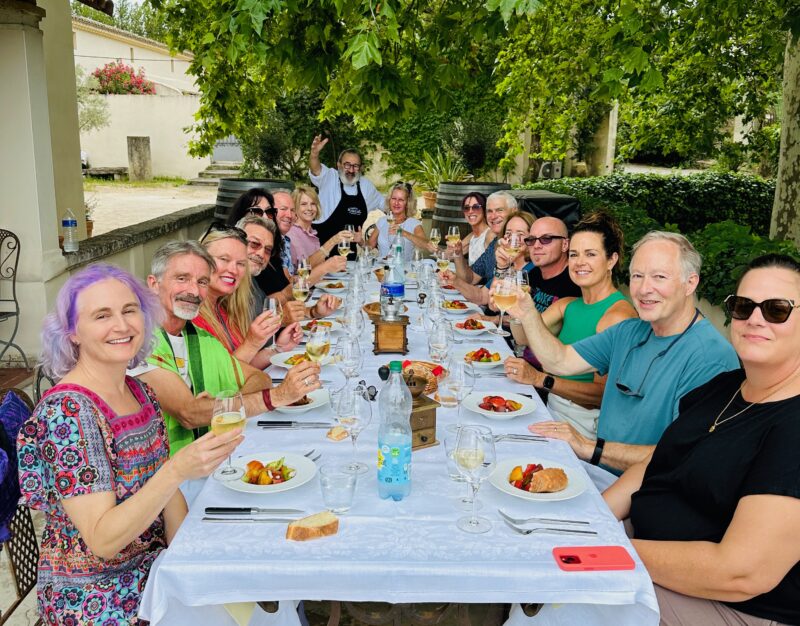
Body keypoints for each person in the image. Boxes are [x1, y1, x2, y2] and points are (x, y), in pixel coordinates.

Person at [16, 264, 242, 624]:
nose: (121, 326)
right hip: (97, 596)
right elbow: (104, 541)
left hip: (154, 572)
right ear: (73, 332)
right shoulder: (67, 413)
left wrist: (191, 563)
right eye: (102, 315)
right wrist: (176, 471)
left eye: (129, 310)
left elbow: (170, 499)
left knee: (247, 592)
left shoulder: (139, 391)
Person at [603, 254, 800, 626]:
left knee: (571, 597)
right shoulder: (725, 387)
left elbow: (741, 574)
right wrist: (594, 519)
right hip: (645, 550)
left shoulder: (792, 425)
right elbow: (659, 462)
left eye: (777, 309)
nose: (755, 318)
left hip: (732, 605)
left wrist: (606, 550)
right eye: (744, 307)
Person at [508, 231, 739, 474]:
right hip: (597, 471)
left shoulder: (711, 358)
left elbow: (682, 455)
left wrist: (589, 447)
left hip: (646, 493)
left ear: (690, 283)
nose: (644, 288)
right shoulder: (629, 331)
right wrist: (527, 312)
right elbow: (560, 361)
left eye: (659, 277)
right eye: (637, 276)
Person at [130, 240, 321, 454]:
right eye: (182, 279)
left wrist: (222, 405)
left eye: (202, 282)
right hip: (164, 474)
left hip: (209, 458)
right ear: (154, 284)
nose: (193, 290)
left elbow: (260, 379)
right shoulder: (138, 341)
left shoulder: (201, 338)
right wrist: (277, 396)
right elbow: (189, 414)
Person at [504, 212, 638, 439]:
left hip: (583, 425)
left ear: (611, 260)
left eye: (591, 254)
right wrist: (518, 311)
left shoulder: (616, 315)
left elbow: (600, 395)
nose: (579, 262)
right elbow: (523, 338)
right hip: (549, 408)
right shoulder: (568, 305)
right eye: (574, 254)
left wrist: (540, 379)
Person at [194, 228, 302, 370]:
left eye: (240, 263)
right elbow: (219, 381)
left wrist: (278, 349)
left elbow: (244, 366)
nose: (234, 270)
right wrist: (252, 342)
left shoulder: (222, 308)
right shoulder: (192, 318)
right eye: (224, 259)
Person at [443, 211, 536, 307]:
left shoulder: (534, 270)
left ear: (532, 238)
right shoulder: (507, 266)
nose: (513, 239)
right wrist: (454, 281)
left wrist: (489, 319)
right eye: (508, 233)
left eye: (520, 234)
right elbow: (482, 297)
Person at [308, 135, 384, 247]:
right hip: (321, 250)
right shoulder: (329, 176)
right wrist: (314, 154)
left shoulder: (366, 186)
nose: (351, 170)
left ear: (361, 168)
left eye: (356, 166)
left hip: (348, 255)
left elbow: (387, 204)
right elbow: (315, 168)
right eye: (347, 165)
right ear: (338, 165)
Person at [451, 191, 517, 286]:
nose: (493, 216)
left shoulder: (524, 243)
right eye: (490, 211)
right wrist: (457, 253)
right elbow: (470, 279)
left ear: (514, 211)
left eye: (499, 210)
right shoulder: (494, 244)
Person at [288, 185, 352, 268]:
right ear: (295, 208)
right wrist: (332, 241)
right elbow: (303, 267)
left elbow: (318, 266)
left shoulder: (311, 232)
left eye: (313, 204)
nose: (309, 208)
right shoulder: (292, 233)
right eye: (303, 204)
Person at [368, 182, 429, 261]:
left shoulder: (414, 223)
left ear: (407, 203)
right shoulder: (382, 221)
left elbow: (426, 245)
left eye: (401, 200)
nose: (396, 203)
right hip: (382, 270)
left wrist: (404, 233)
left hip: (404, 270)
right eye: (393, 198)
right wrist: (360, 240)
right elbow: (369, 246)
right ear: (389, 200)